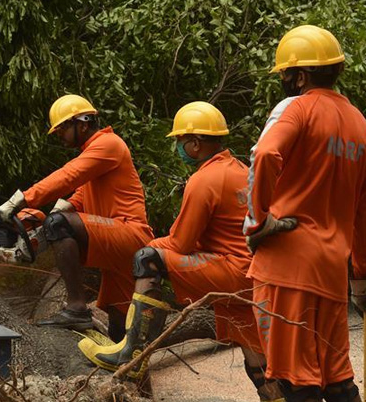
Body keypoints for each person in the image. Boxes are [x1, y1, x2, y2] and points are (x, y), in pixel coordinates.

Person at [77, 102, 282, 400]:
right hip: (255, 273)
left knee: (149, 258)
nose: (178, 147)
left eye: (179, 141)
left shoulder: (204, 179)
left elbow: (182, 243)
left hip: (233, 271)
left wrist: (149, 245)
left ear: (195, 143)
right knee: (257, 360)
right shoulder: (240, 170)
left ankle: (131, 354)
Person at [244, 24, 366, 402]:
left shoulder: (296, 109)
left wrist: (258, 221)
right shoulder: (361, 125)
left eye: (286, 74)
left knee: (294, 381)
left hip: (287, 269)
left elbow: (265, 154)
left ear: (300, 75)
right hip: (332, 269)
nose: (284, 82)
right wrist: (364, 274)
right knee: (337, 380)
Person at [0, 94, 153, 340]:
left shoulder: (108, 144)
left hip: (129, 234)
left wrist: (20, 200)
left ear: (82, 123)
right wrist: (44, 222)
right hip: (115, 243)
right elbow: (80, 195)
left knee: (59, 224)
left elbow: (68, 175)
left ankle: (77, 308)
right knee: (118, 323)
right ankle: (128, 372)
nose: (59, 135)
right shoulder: (95, 156)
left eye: (62, 129)